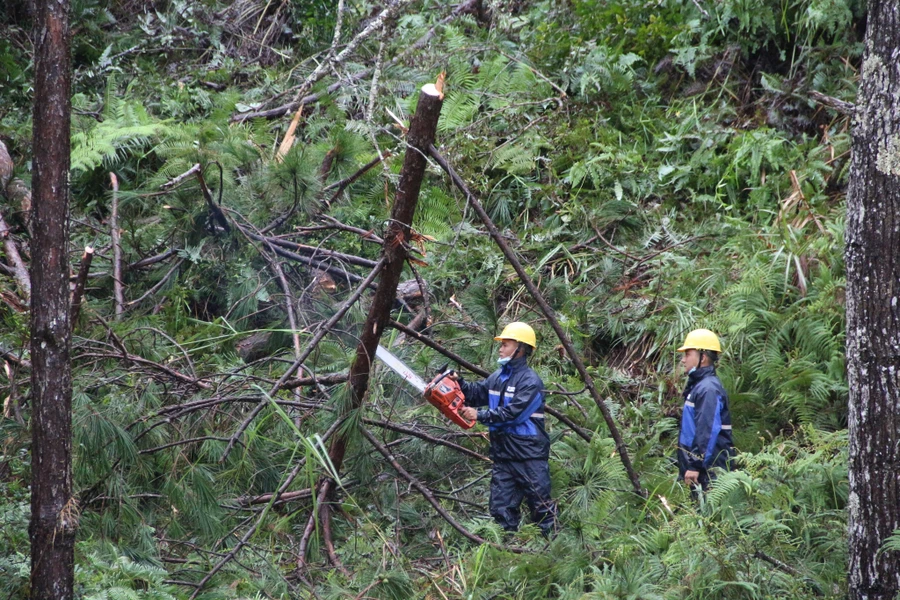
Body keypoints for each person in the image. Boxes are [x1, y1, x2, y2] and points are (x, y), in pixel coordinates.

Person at [455, 322, 555, 535]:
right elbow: (476, 394)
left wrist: (479, 415)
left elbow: (512, 415)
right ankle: (505, 553)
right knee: (501, 510)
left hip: (529, 456)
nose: (500, 348)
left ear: (520, 348)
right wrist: (459, 383)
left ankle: (549, 551)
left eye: (506, 344)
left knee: (541, 509)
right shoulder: (498, 377)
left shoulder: (530, 382)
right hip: (504, 456)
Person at [676, 328, 735, 490]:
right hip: (703, 469)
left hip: (710, 471)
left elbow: (707, 430)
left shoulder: (708, 389)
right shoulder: (699, 386)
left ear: (703, 358)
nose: (683, 360)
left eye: (688, 354)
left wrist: (695, 465)